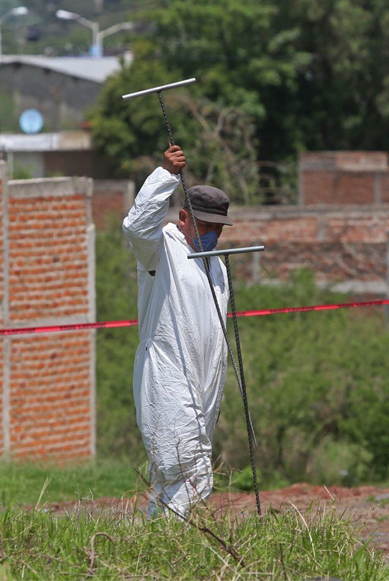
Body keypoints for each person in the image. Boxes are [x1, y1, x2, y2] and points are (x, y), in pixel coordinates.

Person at [122, 144, 233, 518]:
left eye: (217, 228)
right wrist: (166, 175)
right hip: (167, 374)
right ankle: (168, 537)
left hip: (204, 381)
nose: (212, 235)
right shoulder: (160, 250)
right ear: (183, 217)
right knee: (191, 472)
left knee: (177, 473)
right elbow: (136, 226)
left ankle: (156, 543)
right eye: (205, 226)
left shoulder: (216, 265)